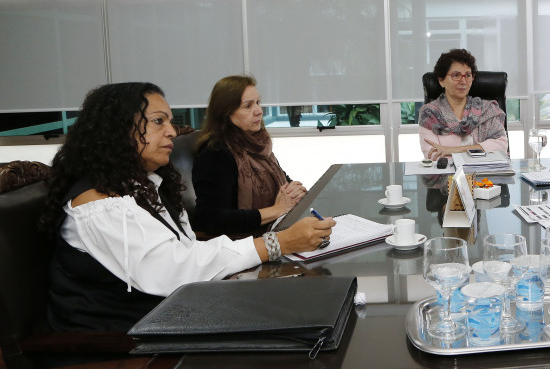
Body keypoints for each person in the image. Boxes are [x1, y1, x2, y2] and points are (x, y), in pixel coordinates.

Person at [40, 82, 335, 332]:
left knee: (308, 308)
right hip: (123, 341)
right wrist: (275, 243)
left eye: (169, 121)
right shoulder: (99, 204)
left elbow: (188, 252)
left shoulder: (146, 185)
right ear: (118, 130)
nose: (171, 131)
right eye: (158, 121)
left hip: (168, 318)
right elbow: (174, 272)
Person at [192, 75, 307, 235]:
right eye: (248, 106)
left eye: (258, 102)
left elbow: (284, 182)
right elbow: (210, 219)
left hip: (276, 233)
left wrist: (295, 191)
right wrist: (277, 209)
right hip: (244, 247)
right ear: (226, 114)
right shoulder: (215, 154)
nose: (259, 111)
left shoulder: (258, 143)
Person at [419, 49, 508, 160]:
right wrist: (480, 151)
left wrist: (452, 151)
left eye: (467, 75)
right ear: (441, 80)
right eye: (456, 75)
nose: (463, 81)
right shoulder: (429, 114)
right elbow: (434, 156)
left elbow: (501, 146)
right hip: (448, 176)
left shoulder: (487, 110)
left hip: (486, 174)